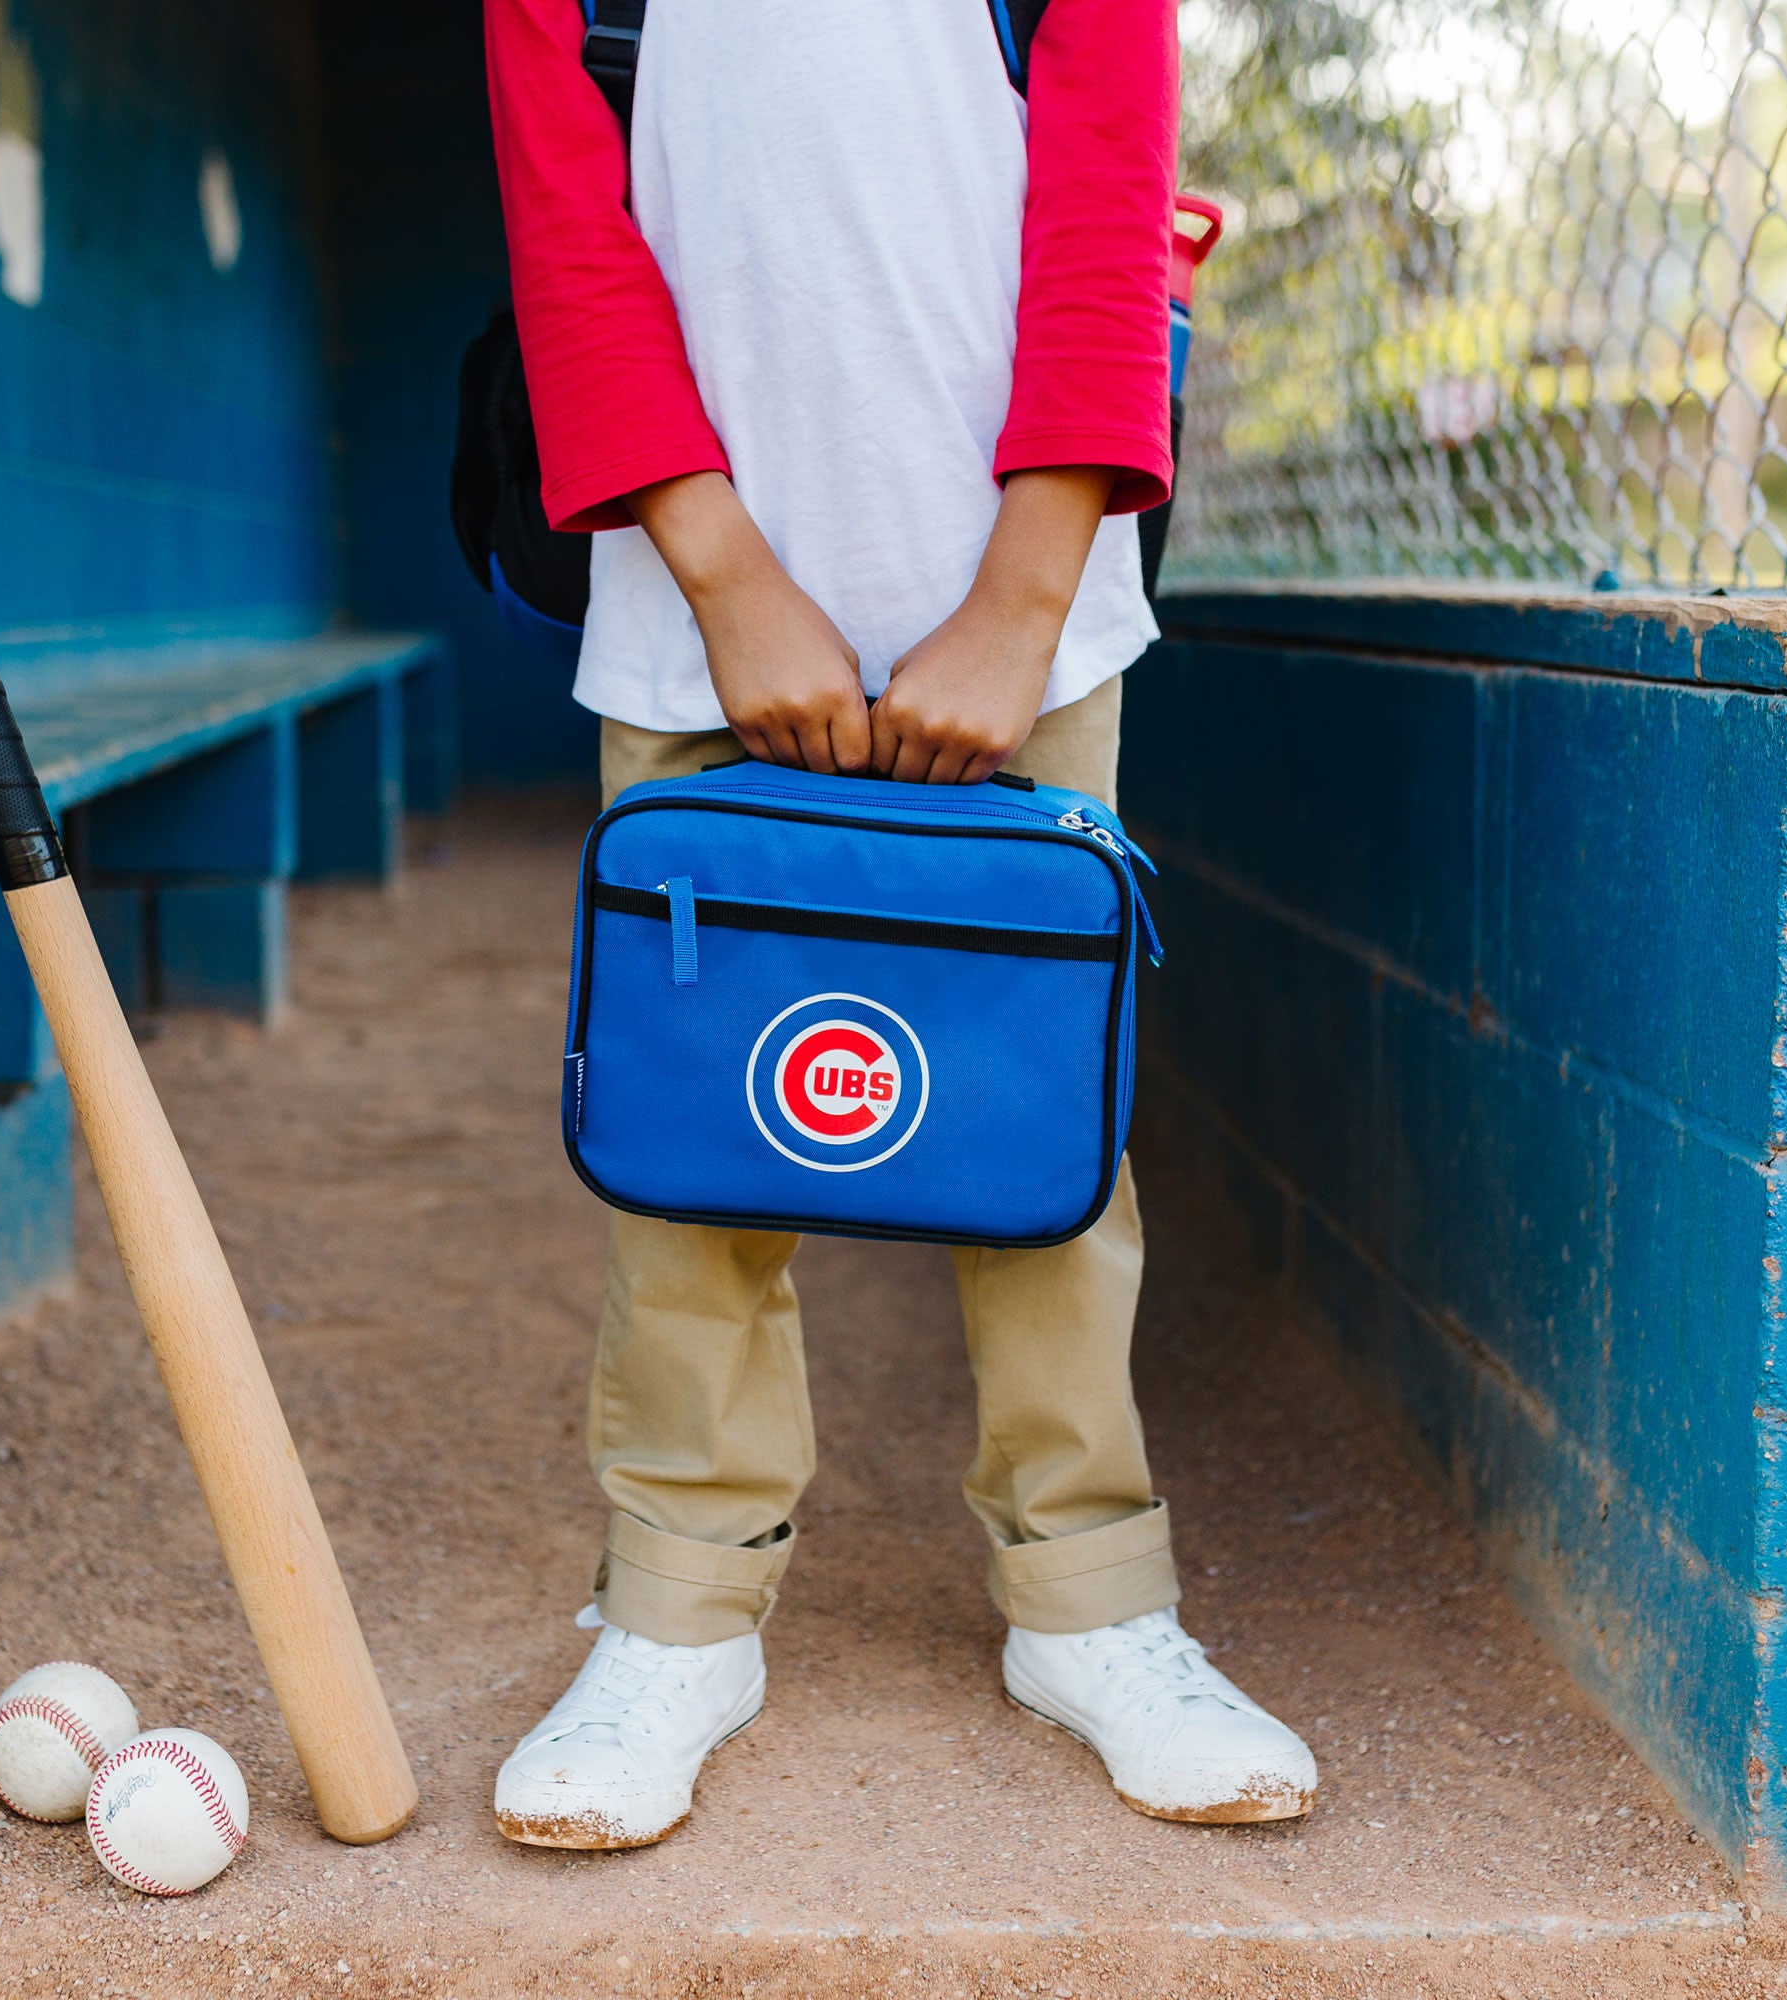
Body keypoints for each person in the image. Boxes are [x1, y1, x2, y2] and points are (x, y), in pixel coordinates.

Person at [483, 0, 1317, 1850]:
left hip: (1027, 597)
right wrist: (724, 573)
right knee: (698, 1143)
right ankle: (677, 1613)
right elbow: (566, 211)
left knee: (1036, 1123)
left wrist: (1025, 598)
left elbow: (1109, 190)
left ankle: (1093, 1603)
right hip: (698, 599)